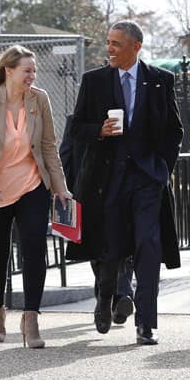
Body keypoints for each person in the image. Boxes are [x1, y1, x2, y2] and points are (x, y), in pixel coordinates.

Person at [66, 20, 183, 345]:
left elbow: (175, 132)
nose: (110, 49)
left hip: (147, 181)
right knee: (110, 249)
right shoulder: (95, 81)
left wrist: (162, 169)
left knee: (148, 247)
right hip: (106, 180)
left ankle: (146, 324)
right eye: (109, 42)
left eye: (116, 43)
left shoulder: (160, 81)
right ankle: (105, 299)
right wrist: (98, 131)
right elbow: (77, 128)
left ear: (136, 46)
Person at [0, 45, 71, 349]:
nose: (32, 75)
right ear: (9, 71)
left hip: (30, 186)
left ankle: (31, 318)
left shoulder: (40, 99)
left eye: (34, 70)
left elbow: (49, 146)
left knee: (35, 249)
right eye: (27, 70)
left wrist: (60, 186)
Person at [59, 115, 135, 325]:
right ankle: (118, 294)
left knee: (104, 247)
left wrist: (67, 189)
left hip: (94, 193)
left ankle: (112, 296)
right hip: (96, 192)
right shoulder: (80, 121)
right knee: (115, 246)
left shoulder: (77, 119)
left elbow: (65, 156)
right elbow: (66, 155)